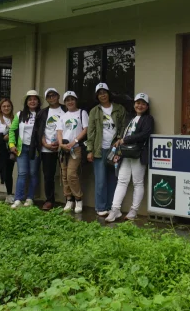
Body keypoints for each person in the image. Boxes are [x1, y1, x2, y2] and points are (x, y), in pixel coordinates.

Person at [106, 93, 155, 222]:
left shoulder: (148, 119)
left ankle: (133, 211)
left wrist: (125, 140)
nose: (140, 105)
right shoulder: (130, 118)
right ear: (134, 104)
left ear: (147, 106)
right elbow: (123, 134)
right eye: (138, 103)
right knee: (122, 181)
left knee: (138, 182)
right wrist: (119, 141)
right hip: (126, 154)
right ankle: (115, 210)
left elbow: (144, 134)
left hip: (138, 154)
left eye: (143, 103)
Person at [86, 83, 128, 217]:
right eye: (99, 93)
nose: (102, 95)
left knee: (113, 179)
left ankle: (112, 207)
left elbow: (123, 126)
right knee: (100, 180)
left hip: (114, 149)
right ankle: (100, 207)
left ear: (109, 93)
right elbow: (91, 132)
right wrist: (89, 150)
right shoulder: (94, 111)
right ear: (97, 96)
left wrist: (120, 139)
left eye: (104, 92)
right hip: (99, 150)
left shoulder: (119, 109)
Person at [34, 88, 67, 211]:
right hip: (47, 149)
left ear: (58, 96)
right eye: (49, 96)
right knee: (48, 176)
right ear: (46, 99)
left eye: (54, 95)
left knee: (68, 174)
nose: (52, 98)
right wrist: (45, 144)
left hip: (64, 148)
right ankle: (49, 200)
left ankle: (70, 200)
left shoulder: (65, 109)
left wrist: (61, 143)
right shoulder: (42, 113)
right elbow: (39, 130)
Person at [8, 90, 42, 209]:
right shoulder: (19, 114)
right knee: (22, 173)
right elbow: (12, 130)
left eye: (35, 99)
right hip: (21, 149)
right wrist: (12, 144)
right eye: (30, 99)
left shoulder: (41, 114)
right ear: (26, 102)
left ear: (38, 101)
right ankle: (18, 199)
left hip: (35, 149)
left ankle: (30, 198)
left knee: (33, 173)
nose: (32, 101)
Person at [56, 91, 88, 214]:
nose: (70, 102)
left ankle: (78, 199)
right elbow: (59, 131)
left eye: (72, 99)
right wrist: (61, 144)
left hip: (76, 148)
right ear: (64, 102)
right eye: (67, 100)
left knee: (71, 174)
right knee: (64, 175)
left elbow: (85, 129)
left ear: (76, 100)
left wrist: (74, 142)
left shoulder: (82, 113)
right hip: (63, 149)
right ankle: (69, 199)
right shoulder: (63, 116)